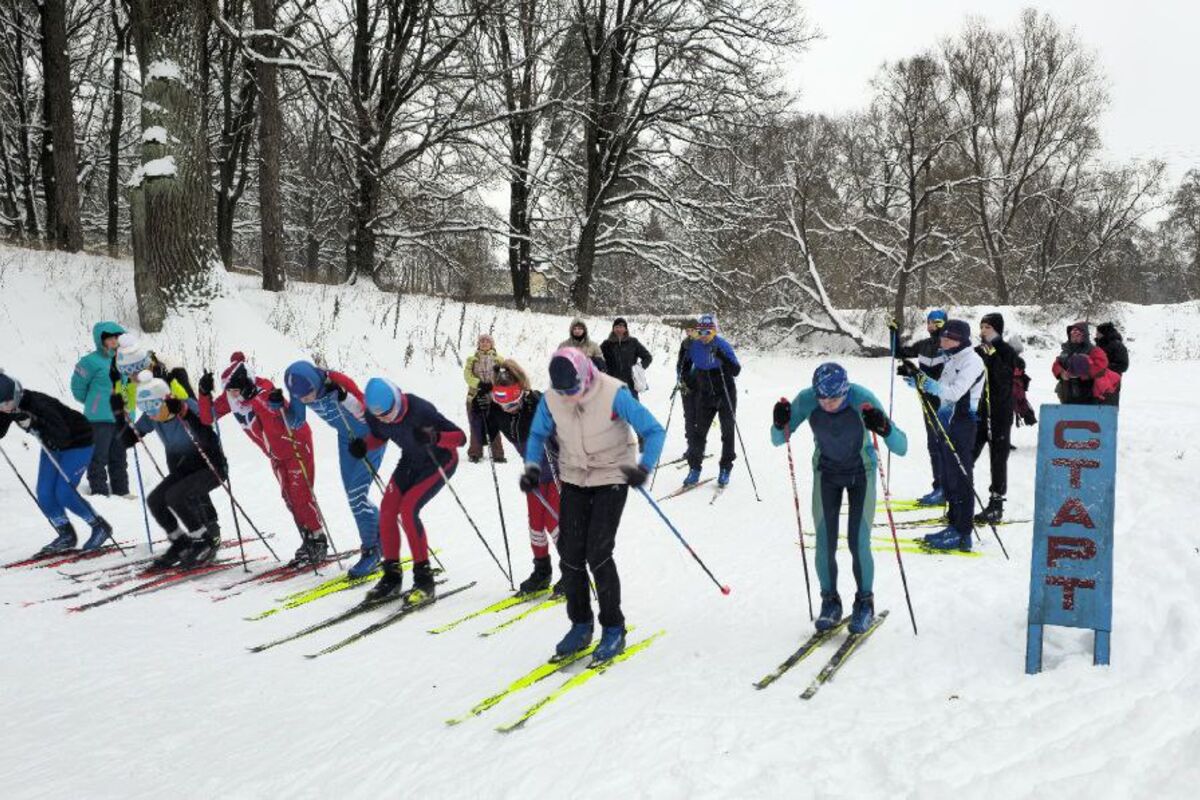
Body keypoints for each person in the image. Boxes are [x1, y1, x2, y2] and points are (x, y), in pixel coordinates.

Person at [522, 347, 665, 662]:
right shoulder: (552, 398)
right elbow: (536, 436)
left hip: (613, 473)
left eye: (574, 389)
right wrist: (532, 468)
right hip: (574, 476)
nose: (570, 396)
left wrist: (643, 467)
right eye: (564, 391)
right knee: (570, 554)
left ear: (585, 375)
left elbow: (654, 431)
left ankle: (614, 628)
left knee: (598, 553)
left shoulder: (614, 393)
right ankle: (581, 624)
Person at [770, 363, 907, 634]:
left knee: (858, 541)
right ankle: (830, 601)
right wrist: (779, 422)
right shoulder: (807, 400)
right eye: (823, 398)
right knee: (823, 542)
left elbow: (901, 447)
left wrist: (884, 426)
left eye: (834, 398)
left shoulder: (862, 398)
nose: (828, 404)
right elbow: (778, 440)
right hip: (827, 475)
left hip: (862, 474)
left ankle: (864, 602)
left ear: (846, 390)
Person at [198, 353, 328, 567]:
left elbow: (278, 425)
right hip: (276, 455)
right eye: (229, 391)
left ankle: (319, 539)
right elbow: (207, 417)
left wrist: (254, 399)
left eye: (236, 390)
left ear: (246, 381)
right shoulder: (231, 399)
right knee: (288, 497)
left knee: (301, 495)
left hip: (295, 446)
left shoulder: (265, 389)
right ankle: (307, 539)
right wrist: (204, 394)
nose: (233, 395)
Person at [353, 377, 466, 604]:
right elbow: (379, 436)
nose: (386, 419)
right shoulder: (375, 415)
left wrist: (435, 437)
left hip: (440, 459)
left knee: (408, 509)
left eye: (389, 413)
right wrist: (364, 445)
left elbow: (460, 438)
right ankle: (391, 577)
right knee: (387, 511)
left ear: (397, 398)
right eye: (381, 416)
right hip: (411, 461)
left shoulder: (420, 409)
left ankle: (424, 581)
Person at [283, 361, 386, 578]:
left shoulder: (337, 381)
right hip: (346, 439)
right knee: (353, 496)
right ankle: (381, 537)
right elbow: (297, 422)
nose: (305, 400)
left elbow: (367, 414)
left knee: (357, 496)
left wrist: (343, 396)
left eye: (309, 395)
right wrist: (280, 407)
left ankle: (372, 550)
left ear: (315, 382)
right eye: (300, 397)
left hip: (369, 437)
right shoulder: (299, 389)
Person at [115, 375, 226, 569]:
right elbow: (128, 439)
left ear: (164, 401)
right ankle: (181, 542)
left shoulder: (186, 406)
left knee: (176, 496)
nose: (149, 414)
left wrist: (185, 414)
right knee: (155, 500)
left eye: (152, 408)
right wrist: (118, 414)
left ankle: (203, 542)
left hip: (210, 467)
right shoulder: (153, 417)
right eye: (145, 409)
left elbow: (208, 435)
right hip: (183, 470)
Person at [0, 372, 113, 555]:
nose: (4, 409)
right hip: (51, 445)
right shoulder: (10, 407)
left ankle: (100, 526)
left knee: (64, 492)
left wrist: (33, 423)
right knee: (44, 493)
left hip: (77, 441)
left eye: (5, 404)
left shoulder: (38, 403)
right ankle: (66, 534)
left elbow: (62, 436)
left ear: (15, 394)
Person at [900, 319, 984, 551]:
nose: (943, 340)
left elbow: (955, 393)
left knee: (961, 478)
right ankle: (953, 525)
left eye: (948, 337)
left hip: (962, 424)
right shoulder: (953, 359)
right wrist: (918, 382)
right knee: (948, 477)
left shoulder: (972, 362)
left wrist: (927, 383)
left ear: (960, 340)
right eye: (944, 337)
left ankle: (962, 532)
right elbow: (942, 390)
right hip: (947, 421)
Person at [484, 360, 562, 594]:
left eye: (513, 403)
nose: (508, 409)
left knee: (555, 522)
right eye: (502, 404)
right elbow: (483, 436)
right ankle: (542, 572)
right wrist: (481, 412)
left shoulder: (537, 403)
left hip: (558, 469)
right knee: (535, 525)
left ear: (522, 392)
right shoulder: (498, 412)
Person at [895, 309, 948, 506]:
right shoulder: (924, 345)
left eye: (936, 322)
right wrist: (895, 333)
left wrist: (919, 375)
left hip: (944, 402)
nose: (932, 325)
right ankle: (938, 486)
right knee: (932, 444)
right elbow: (898, 353)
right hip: (926, 399)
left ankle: (946, 488)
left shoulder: (949, 346)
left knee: (943, 444)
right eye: (929, 322)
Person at [70, 321, 129, 497]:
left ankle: (121, 491)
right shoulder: (89, 361)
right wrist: (93, 402)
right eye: (109, 338)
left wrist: (129, 411)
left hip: (120, 417)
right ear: (100, 340)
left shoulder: (124, 361)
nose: (114, 341)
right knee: (98, 457)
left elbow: (128, 388)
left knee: (119, 457)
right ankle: (99, 491)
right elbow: (78, 388)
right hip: (98, 418)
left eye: (117, 337)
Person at [682, 313, 740, 488]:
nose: (705, 334)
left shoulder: (722, 345)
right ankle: (694, 469)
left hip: (725, 393)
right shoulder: (694, 346)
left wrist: (721, 356)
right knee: (698, 433)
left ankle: (725, 468)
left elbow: (736, 370)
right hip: (705, 395)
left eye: (709, 331)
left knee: (727, 432)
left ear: (714, 331)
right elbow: (685, 366)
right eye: (701, 331)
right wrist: (686, 380)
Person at [971, 313, 1017, 523]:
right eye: (981, 327)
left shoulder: (1006, 351)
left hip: (999, 411)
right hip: (980, 410)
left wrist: (992, 357)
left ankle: (996, 503)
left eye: (987, 327)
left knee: (998, 457)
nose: (983, 331)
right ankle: (959, 495)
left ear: (997, 329)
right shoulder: (979, 350)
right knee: (968, 452)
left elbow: (1004, 379)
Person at [111, 333, 194, 406]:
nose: (134, 377)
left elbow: (192, 406)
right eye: (129, 373)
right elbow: (127, 405)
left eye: (138, 372)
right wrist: (117, 382)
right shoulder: (130, 379)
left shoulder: (173, 371)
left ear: (149, 366)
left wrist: (168, 383)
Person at [1051, 322, 1120, 406]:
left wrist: (1081, 373)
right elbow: (1056, 365)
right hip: (1067, 394)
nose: (1075, 336)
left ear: (1084, 335)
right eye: (1073, 333)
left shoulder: (1094, 350)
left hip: (1088, 395)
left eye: (1078, 334)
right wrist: (1061, 373)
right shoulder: (1066, 350)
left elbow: (1101, 367)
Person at [463, 334, 506, 463]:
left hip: (493, 397)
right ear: (478, 344)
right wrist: (479, 384)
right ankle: (475, 453)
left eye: (487, 341)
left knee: (495, 424)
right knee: (476, 424)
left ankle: (498, 454)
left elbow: (504, 376)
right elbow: (467, 375)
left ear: (492, 344)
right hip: (475, 396)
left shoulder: (499, 359)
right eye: (482, 341)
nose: (484, 343)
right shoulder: (472, 359)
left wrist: (493, 384)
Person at [600, 318, 653, 399]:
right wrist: (603, 370)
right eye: (616, 327)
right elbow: (596, 359)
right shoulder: (606, 344)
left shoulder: (633, 342)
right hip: (612, 384)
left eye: (621, 326)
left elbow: (647, 357)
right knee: (613, 410)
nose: (619, 329)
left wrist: (638, 368)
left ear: (625, 329)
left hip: (630, 384)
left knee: (632, 410)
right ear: (613, 329)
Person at [674, 320, 699, 461]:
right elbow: (679, 364)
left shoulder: (702, 343)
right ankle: (691, 446)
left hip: (700, 386)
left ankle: (699, 446)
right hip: (686, 386)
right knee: (688, 416)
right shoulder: (685, 344)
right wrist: (679, 378)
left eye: (692, 330)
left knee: (699, 417)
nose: (689, 333)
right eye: (687, 330)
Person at [1095, 322, 1129, 406]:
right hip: (1097, 383)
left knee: (1109, 409)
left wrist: (1105, 368)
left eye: (1098, 333)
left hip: (1112, 383)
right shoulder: (1099, 345)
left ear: (1104, 333)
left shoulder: (1118, 346)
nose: (1096, 334)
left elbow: (1123, 365)